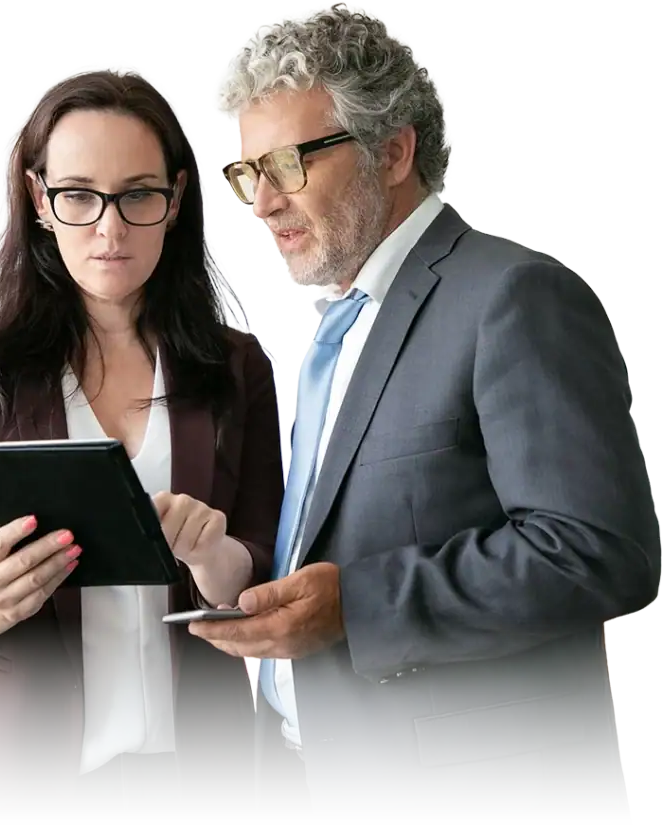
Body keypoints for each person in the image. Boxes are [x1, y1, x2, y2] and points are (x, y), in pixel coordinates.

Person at [191, 5, 662, 825]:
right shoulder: (338, 329)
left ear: (394, 150)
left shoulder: (515, 296)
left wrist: (357, 605)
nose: (261, 201)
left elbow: (600, 551)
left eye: (288, 164)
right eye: (246, 172)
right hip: (318, 784)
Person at [0, 69, 284, 825]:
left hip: (199, 777)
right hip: (12, 781)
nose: (110, 230)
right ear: (39, 200)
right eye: (79, 196)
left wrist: (215, 559)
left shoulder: (235, 367)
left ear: (176, 199)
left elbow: (265, 566)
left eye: (138, 195)